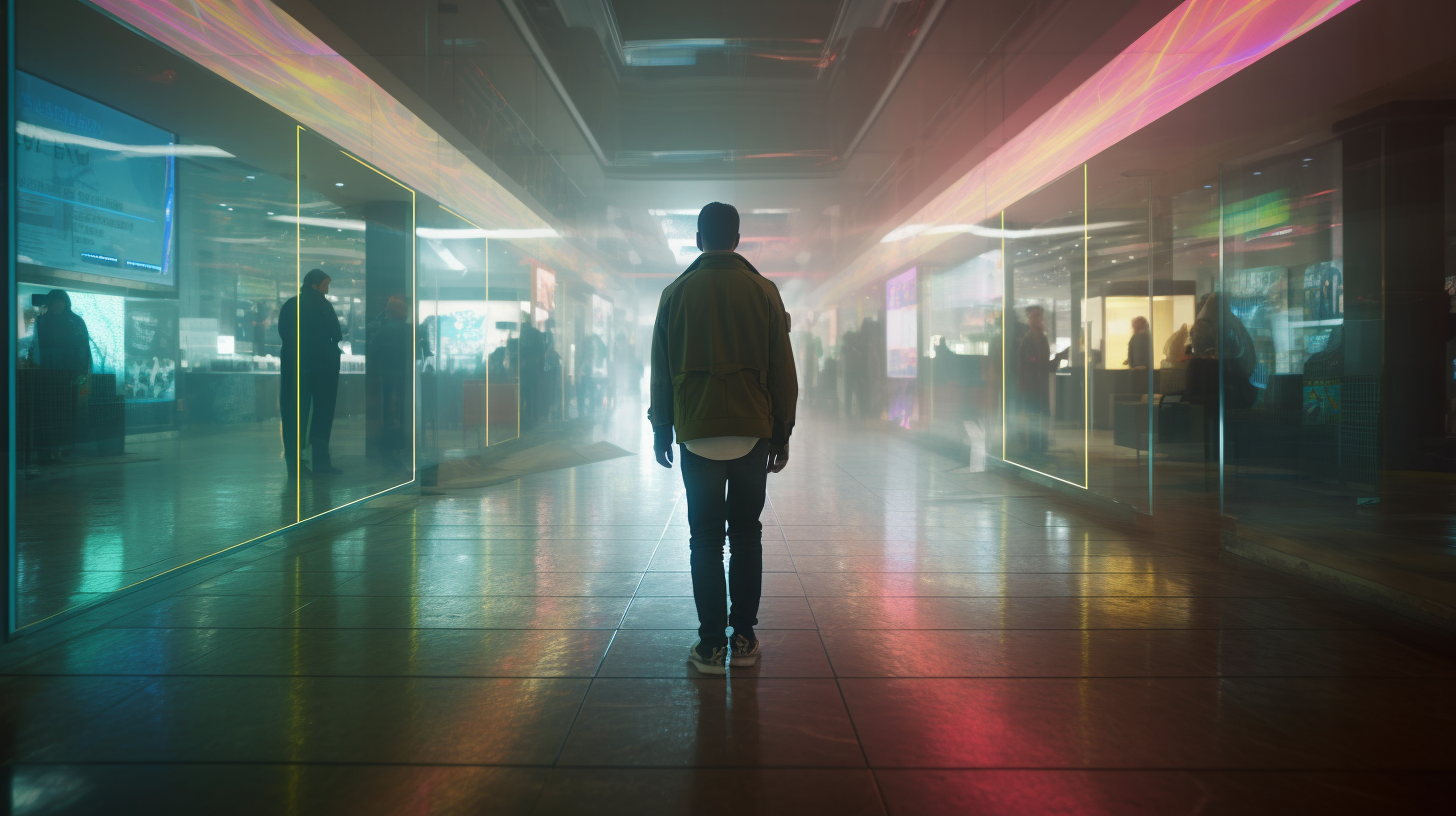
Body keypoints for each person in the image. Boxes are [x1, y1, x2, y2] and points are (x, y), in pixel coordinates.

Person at [649, 202, 798, 675]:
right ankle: (746, 639)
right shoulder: (765, 292)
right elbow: (783, 372)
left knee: (706, 540)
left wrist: (661, 428)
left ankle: (711, 645)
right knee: (747, 536)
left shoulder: (675, 293)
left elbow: (661, 370)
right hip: (753, 432)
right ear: (736, 239)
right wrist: (783, 430)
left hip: (697, 433)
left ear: (699, 239)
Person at [279, 268, 344, 476]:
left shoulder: (291, 305)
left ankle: (294, 464)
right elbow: (337, 333)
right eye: (326, 285)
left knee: (294, 413)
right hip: (323, 368)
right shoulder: (323, 306)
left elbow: (284, 333)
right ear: (315, 285)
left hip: (294, 367)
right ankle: (321, 463)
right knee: (323, 414)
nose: (327, 289)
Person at [1014, 305, 1067, 458]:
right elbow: (1029, 363)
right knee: (1033, 416)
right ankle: (1034, 447)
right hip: (1032, 386)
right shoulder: (1029, 339)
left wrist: (1057, 359)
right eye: (1035, 316)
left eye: (1040, 316)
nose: (1038, 320)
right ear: (1029, 320)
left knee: (1038, 416)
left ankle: (1038, 447)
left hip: (1038, 386)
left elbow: (1042, 364)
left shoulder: (1041, 338)